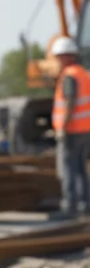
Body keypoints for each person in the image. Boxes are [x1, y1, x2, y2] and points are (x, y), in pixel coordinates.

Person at [50, 35, 90, 217]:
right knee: (81, 168)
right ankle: (85, 205)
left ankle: (69, 208)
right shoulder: (83, 73)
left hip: (72, 129)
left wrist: (62, 129)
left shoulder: (69, 76)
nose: (57, 61)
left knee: (68, 169)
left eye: (58, 57)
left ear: (65, 56)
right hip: (85, 129)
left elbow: (69, 103)